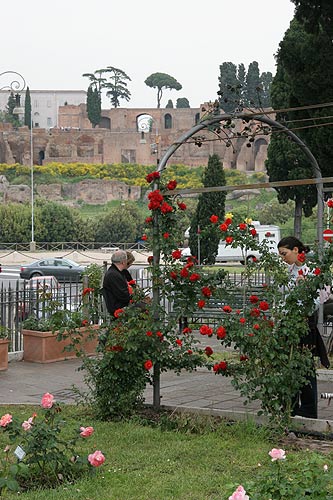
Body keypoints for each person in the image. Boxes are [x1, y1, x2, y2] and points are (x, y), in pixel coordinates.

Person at [277, 236, 330, 419]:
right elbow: (283, 296)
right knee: (287, 365)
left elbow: (319, 298)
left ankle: (307, 410)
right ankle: (290, 406)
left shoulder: (312, 271)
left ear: (297, 251)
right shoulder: (289, 271)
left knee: (305, 367)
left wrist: (303, 302)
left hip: (304, 322)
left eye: (285, 254)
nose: (283, 258)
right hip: (287, 322)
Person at [101, 250, 131, 317]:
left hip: (119, 305)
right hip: (118, 308)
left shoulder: (116, 272)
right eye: (126, 260)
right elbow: (124, 296)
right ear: (123, 262)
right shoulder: (113, 275)